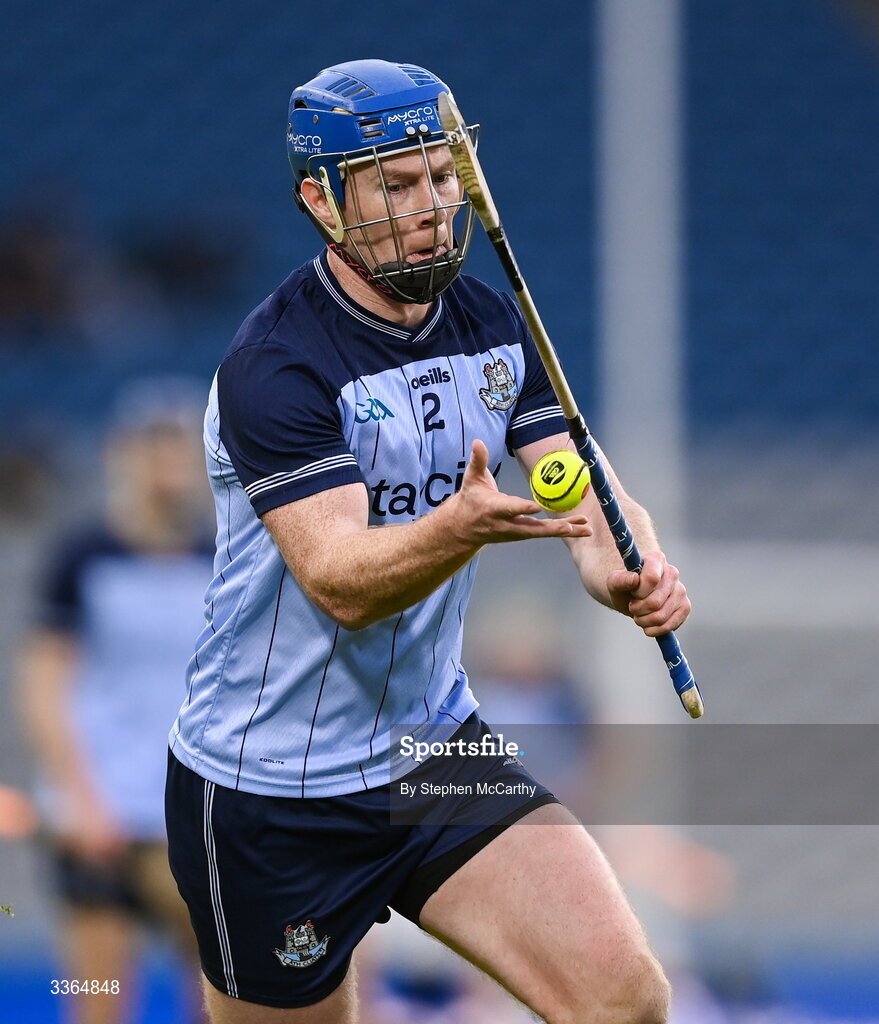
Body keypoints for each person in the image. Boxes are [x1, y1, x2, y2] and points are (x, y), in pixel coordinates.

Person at [165, 59, 691, 1024]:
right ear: (321, 201)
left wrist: (625, 568)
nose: (430, 205)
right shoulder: (274, 367)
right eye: (396, 186)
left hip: (431, 745)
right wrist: (457, 528)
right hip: (271, 787)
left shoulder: (494, 325)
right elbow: (341, 582)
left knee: (624, 1001)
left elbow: (583, 493)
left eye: (442, 176)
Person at [17, 377, 214, 1024]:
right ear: (122, 455)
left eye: (180, 448)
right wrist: (78, 796)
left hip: (185, 813)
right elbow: (45, 684)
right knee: (99, 1000)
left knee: (217, 991)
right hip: (101, 814)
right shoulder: (81, 556)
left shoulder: (218, 560)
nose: (169, 464)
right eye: (155, 446)